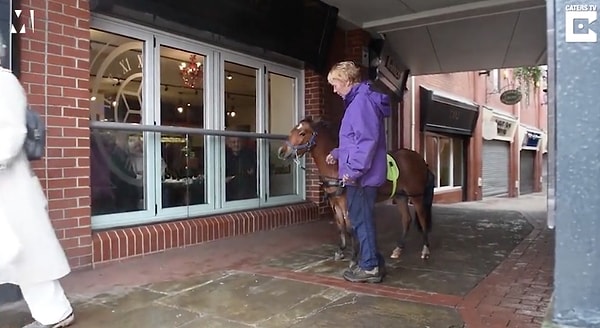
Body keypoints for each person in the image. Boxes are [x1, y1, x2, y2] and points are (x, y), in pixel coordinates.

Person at [0, 49, 75, 326]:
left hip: (10, 187)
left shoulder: (3, 81)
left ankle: (55, 313)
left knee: (28, 255)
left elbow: (11, 133)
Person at [325, 61, 390, 283]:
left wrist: (352, 171)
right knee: (363, 218)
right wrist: (337, 152)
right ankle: (374, 261)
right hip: (363, 175)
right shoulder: (359, 101)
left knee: (361, 220)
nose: (334, 90)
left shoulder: (360, 103)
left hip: (362, 177)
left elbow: (366, 141)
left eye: (335, 84)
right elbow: (355, 140)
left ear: (348, 81)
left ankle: (369, 267)